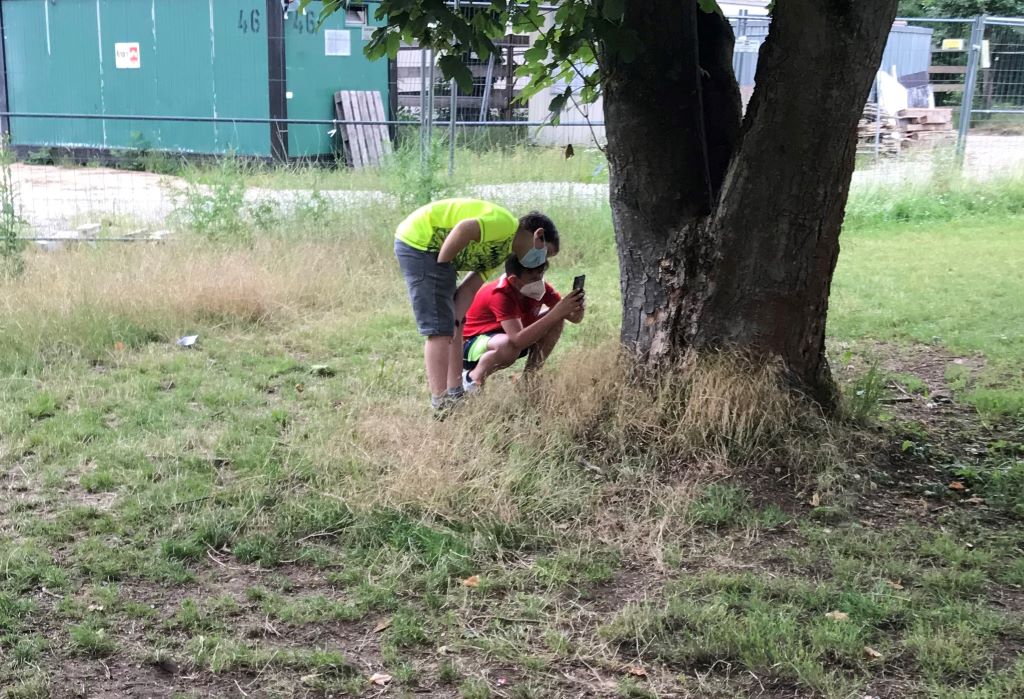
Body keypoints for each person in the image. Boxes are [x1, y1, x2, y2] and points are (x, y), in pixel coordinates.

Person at [394, 198, 560, 415]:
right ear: (538, 235)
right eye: (545, 253)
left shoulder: (501, 253)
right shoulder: (505, 225)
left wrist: (456, 316)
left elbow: (470, 290)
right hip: (421, 243)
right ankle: (440, 404)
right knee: (439, 329)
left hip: (437, 253)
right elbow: (465, 228)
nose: (542, 261)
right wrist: (443, 268)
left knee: (455, 321)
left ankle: (456, 392)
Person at [461, 254, 585, 392]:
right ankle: (472, 379)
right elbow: (517, 340)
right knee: (507, 344)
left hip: (509, 339)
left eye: (540, 274)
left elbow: (574, 318)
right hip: (470, 347)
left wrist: (576, 307)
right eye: (533, 278)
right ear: (514, 280)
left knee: (556, 319)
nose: (539, 281)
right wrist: (557, 312)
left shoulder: (539, 288)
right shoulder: (500, 294)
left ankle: (529, 378)